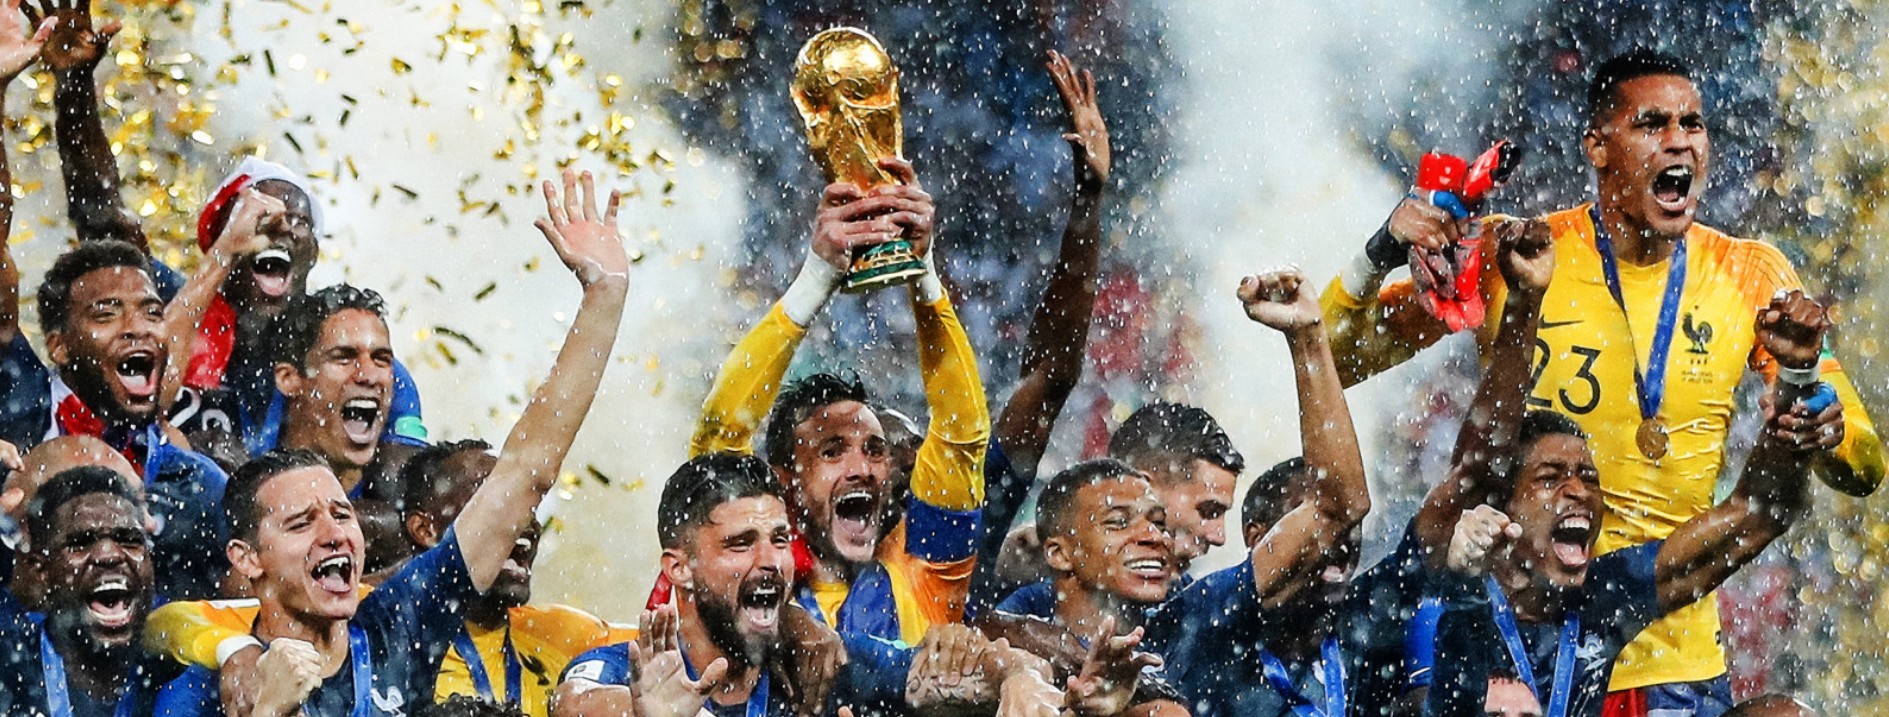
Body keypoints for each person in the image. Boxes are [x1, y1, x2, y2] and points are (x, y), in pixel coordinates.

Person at [1318, 49, 1885, 712]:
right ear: (1597, 146)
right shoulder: (1520, 253)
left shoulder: (1750, 273)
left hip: (1673, 656)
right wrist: (1380, 250)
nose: (1679, 141)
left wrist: (1814, 406)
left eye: (1692, 124)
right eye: (1651, 124)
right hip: (1525, 652)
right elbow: (1332, 356)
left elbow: (1864, 466)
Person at [152, 167, 631, 717]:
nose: (334, 534)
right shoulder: (199, 694)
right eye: (301, 522)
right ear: (247, 558)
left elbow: (525, 473)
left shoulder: (398, 629)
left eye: (340, 514)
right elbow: (165, 625)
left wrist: (605, 295)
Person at [1423, 294, 1842, 716]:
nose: (1578, 491)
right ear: (1504, 506)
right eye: (1551, 478)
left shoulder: (1601, 598)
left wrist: (1797, 376)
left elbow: (1758, 513)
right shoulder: (1446, 592)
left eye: (1589, 478)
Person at [680, 146, 988, 646]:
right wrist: (817, 275)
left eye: (874, 450)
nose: (861, 467)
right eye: (831, 451)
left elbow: (961, 433)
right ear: (786, 482)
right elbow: (720, 435)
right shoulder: (744, 587)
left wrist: (923, 269)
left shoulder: (924, 569)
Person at [551, 453, 1079, 717]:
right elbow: (575, 703)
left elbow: (980, 669)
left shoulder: (823, 670)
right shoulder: (622, 668)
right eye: (740, 544)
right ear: (679, 569)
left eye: (779, 539)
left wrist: (1017, 677)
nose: (770, 562)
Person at [0, 466, 181, 717]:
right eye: (81, 543)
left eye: (129, 540)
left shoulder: (181, 660)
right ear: (41, 571)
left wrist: (230, 652)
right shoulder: (8, 662)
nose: (109, 555)